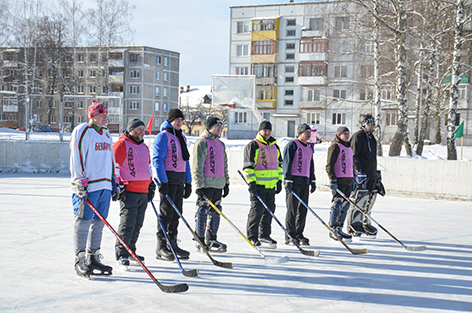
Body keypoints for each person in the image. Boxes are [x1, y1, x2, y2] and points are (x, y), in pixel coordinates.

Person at [70, 100, 116, 278]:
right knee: (83, 221)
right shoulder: (83, 131)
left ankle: (93, 257)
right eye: (102, 115)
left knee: (99, 223)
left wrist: (115, 178)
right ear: (93, 116)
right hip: (89, 185)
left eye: (106, 115)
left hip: (104, 184)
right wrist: (78, 182)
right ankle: (79, 259)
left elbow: (111, 158)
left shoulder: (105, 133)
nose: (105, 118)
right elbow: (77, 156)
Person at [113, 118, 155, 268]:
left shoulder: (144, 147)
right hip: (129, 191)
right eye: (138, 129)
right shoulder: (121, 144)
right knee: (127, 224)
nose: (142, 132)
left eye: (143, 130)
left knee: (138, 224)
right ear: (130, 130)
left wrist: (151, 183)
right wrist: (118, 184)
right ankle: (121, 253)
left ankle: (131, 250)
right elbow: (114, 166)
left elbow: (148, 167)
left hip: (143, 191)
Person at [152, 108, 192, 261]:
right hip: (168, 179)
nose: (179, 122)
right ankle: (161, 245)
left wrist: (188, 182)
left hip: (179, 179)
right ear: (170, 120)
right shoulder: (163, 137)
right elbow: (158, 160)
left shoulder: (181, 137)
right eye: (177, 120)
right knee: (166, 213)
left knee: (176, 213)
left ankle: (172, 243)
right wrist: (163, 181)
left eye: (181, 120)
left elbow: (185, 161)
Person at [192, 116, 230, 253]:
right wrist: (199, 185)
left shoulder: (220, 144)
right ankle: (200, 239)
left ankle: (211, 238)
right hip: (206, 184)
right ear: (209, 127)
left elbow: (224, 165)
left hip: (218, 184)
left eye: (221, 126)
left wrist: (226, 183)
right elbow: (197, 166)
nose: (219, 129)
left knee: (216, 211)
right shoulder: (202, 142)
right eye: (216, 126)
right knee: (203, 210)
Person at [243, 120, 283, 249]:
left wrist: (279, 180)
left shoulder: (275, 146)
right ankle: (252, 236)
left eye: (269, 130)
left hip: (271, 186)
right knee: (256, 212)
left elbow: (280, 166)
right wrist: (251, 182)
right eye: (264, 130)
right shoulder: (253, 145)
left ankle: (264, 234)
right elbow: (248, 167)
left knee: (269, 211)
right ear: (260, 131)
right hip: (258, 186)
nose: (267, 133)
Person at [346, 115, 385, 239]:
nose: (372, 125)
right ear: (363, 124)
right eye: (369, 123)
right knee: (359, 200)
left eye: (373, 123)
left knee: (370, 199)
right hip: (361, 174)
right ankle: (353, 225)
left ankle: (365, 223)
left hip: (371, 173)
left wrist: (375, 173)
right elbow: (354, 155)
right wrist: (358, 171)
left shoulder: (371, 138)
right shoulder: (358, 137)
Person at [283, 123, 316, 246]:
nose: (308, 134)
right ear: (300, 133)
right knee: (292, 209)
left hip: (305, 181)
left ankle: (299, 233)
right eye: (306, 132)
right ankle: (290, 235)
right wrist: (287, 179)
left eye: (310, 132)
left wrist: (312, 180)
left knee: (303, 209)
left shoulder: (309, 147)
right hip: (294, 181)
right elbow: (287, 162)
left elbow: (310, 165)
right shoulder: (292, 145)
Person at [326, 126, 354, 242]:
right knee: (337, 204)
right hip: (339, 180)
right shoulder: (335, 147)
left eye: (348, 133)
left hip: (349, 180)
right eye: (344, 134)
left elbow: (351, 164)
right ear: (339, 135)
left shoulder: (349, 147)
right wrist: (332, 180)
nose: (347, 136)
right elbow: (329, 165)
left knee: (346, 205)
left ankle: (339, 227)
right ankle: (333, 228)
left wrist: (354, 178)